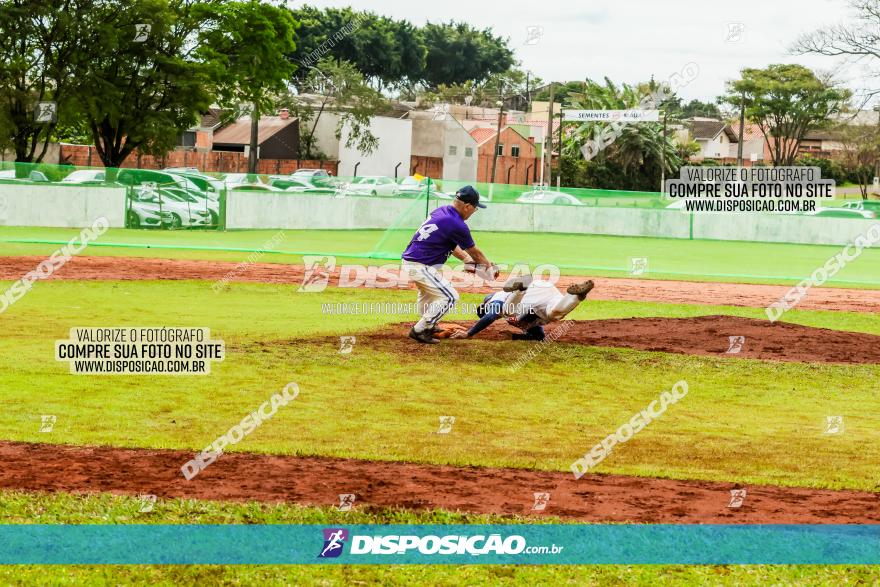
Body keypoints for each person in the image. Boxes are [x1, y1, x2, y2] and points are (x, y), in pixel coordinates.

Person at [400, 185, 497, 344]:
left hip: (414, 261)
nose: (474, 211)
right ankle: (419, 330)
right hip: (419, 264)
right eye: (475, 208)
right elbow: (475, 252)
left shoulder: (443, 211)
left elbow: (451, 245)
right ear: (467, 206)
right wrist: (488, 266)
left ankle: (429, 326)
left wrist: (466, 260)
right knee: (450, 296)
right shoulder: (456, 223)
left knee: (429, 295)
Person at [452, 276, 594, 340]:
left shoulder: (493, 299)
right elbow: (539, 336)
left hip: (529, 294)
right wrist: (514, 336)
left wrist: (469, 333)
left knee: (507, 311)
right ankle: (577, 297)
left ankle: (521, 289)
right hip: (544, 292)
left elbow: (490, 316)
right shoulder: (519, 320)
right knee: (553, 313)